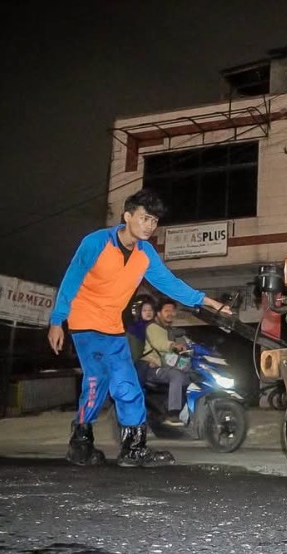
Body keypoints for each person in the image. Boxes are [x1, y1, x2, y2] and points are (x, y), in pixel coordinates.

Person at [48, 188, 231, 467]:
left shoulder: (145, 254)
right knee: (110, 382)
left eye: (154, 221)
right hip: (84, 323)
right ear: (127, 216)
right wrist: (56, 321)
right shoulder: (96, 242)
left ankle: (106, 445)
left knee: (110, 382)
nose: (150, 226)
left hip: (111, 326)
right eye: (145, 218)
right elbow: (71, 278)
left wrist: (209, 302)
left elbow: (170, 284)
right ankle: (99, 443)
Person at [140, 298, 188, 426]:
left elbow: (181, 345)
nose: (170, 314)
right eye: (166, 311)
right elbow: (160, 344)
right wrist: (173, 345)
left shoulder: (168, 329)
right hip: (151, 368)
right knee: (176, 375)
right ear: (159, 313)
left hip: (164, 365)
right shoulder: (153, 327)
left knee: (189, 373)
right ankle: (172, 414)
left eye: (172, 311)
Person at [126, 296, 156, 361]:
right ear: (140, 313)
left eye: (150, 310)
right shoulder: (134, 329)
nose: (148, 312)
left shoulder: (157, 327)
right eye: (144, 310)